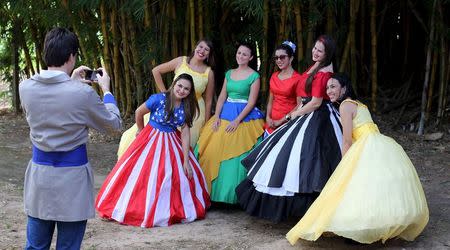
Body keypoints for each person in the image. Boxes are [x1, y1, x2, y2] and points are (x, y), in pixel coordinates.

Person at [286, 73, 429, 244]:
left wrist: (344, 165)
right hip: (379, 143)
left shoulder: (345, 106)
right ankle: (376, 225)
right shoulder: (360, 104)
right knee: (373, 187)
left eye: (333, 87)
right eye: (327, 88)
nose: (328, 91)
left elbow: (346, 139)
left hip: (364, 145)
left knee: (353, 185)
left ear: (344, 88)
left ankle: (358, 230)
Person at [19, 27, 122, 249]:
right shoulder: (82, 94)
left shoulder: (25, 87)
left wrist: (69, 80)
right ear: (71, 56)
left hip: (39, 178)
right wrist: (107, 91)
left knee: (35, 246)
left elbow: (53, 99)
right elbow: (113, 126)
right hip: (72, 181)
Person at [236, 35, 342, 222]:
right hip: (307, 112)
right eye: (314, 48)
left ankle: (316, 208)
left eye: (320, 50)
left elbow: (316, 102)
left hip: (317, 116)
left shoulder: (324, 72)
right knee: (288, 155)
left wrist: (292, 115)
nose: (315, 52)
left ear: (328, 54)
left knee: (311, 157)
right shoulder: (315, 66)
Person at [95, 73, 210, 227]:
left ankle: (165, 207)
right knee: (142, 174)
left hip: (171, 141)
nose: (182, 90)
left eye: (186, 89)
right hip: (150, 137)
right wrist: (140, 131)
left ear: (190, 92)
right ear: (174, 84)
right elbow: (139, 112)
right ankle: (138, 207)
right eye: (180, 86)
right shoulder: (159, 98)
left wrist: (186, 160)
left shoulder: (186, 107)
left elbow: (185, 132)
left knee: (170, 174)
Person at [117, 39, 215, 157]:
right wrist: (165, 94)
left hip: (193, 110)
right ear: (195, 47)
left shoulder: (208, 72)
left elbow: (209, 100)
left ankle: (177, 168)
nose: (202, 51)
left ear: (209, 54)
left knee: (184, 143)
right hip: (171, 103)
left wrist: (206, 123)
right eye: (200, 47)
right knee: (156, 137)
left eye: (206, 49)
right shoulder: (181, 61)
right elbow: (156, 71)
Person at [196, 42, 265, 204]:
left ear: (251, 57)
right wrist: (217, 116)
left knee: (238, 147)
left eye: (245, 54)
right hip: (225, 111)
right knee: (213, 145)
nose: (240, 56)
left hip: (243, 115)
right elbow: (221, 97)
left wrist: (237, 120)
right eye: (239, 53)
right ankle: (209, 192)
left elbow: (251, 102)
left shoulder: (254, 76)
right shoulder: (229, 73)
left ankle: (233, 195)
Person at [265, 41, 302, 136]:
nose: (278, 60)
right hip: (271, 123)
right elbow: (271, 100)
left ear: (291, 58)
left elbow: (299, 105)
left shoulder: (298, 79)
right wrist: (268, 117)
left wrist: (281, 121)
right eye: (276, 58)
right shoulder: (274, 76)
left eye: (282, 57)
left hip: (288, 124)